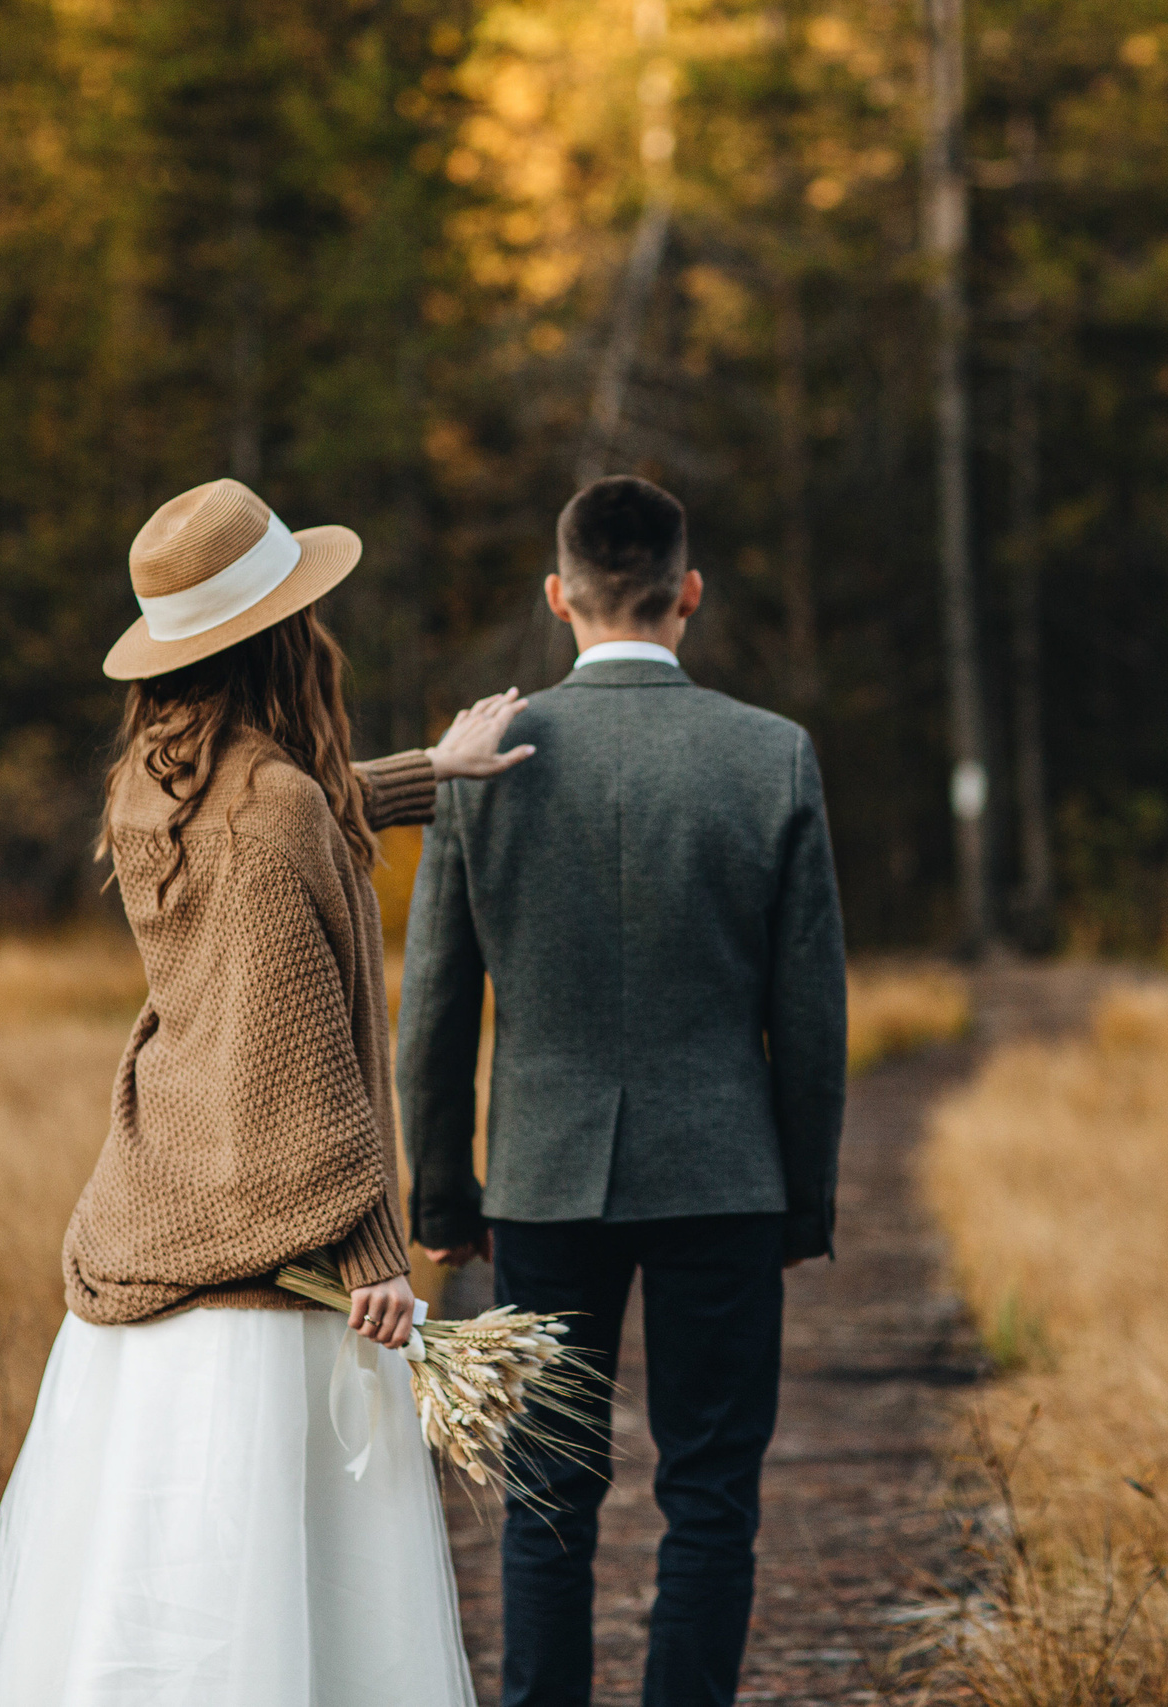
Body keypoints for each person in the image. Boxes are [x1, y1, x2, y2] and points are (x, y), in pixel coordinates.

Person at [0, 477, 535, 1707]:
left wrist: (434, 770)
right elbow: (301, 1062)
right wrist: (377, 1257)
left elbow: (292, 813)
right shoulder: (269, 812)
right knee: (288, 1608)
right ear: (284, 634)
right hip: (268, 1275)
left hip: (158, 1217)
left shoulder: (154, 778)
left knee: (161, 1603)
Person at [398, 475, 849, 1707]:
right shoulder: (770, 754)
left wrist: (443, 1198)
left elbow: (434, 1003)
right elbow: (811, 1014)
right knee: (711, 1495)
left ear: (559, 596)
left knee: (546, 1494)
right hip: (725, 1177)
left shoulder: (481, 761)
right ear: (687, 592)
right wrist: (803, 1201)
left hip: (542, 1183)